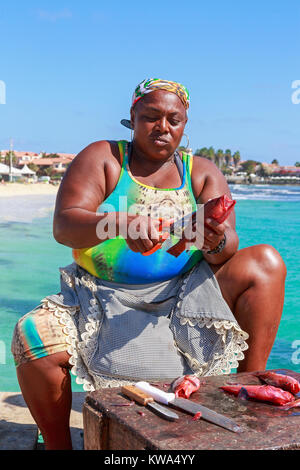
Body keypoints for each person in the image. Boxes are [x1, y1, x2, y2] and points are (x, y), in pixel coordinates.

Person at [11, 78, 286, 450]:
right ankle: (59, 444)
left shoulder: (201, 171)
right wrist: (120, 224)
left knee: (266, 262)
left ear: (185, 124)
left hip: (185, 294)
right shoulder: (105, 158)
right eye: (151, 116)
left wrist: (214, 240)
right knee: (32, 339)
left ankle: (244, 397)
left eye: (174, 119)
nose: (163, 127)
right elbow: (65, 225)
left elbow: (228, 244)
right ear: (133, 117)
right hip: (100, 295)